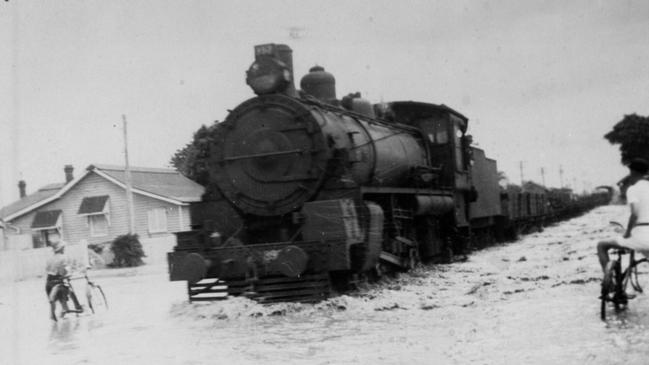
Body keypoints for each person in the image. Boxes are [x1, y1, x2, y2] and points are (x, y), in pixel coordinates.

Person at [597, 158, 649, 275]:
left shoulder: (633, 189)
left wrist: (627, 233)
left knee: (602, 245)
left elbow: (634, 215)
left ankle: (610, 282)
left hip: (641, 239)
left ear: (633, 172)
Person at [45, 232, 70, 321]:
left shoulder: (49, 258)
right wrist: (67, 274)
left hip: (48, 282)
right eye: (63, 248)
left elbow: (47, 269)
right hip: (58, 281)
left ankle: (53, 315)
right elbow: (62, 272)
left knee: (52, 300)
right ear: (61, 248)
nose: (64, 249)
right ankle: (65, 311)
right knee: (64, 297)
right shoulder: (63, 257)